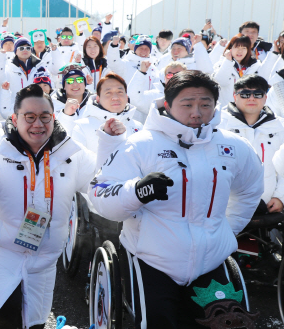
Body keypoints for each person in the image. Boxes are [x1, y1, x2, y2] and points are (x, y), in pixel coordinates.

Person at [90, 70, 263, 328]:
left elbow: (250, 189)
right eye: (187, 104)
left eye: (205, 104)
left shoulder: (233, 146)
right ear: (168, 105)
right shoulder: (140, 145)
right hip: (153, 260)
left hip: (212, 259)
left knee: (228, 324)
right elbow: (99, 194)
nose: (197, 112)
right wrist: (136, 191)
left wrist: (227, 228)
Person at [0, 84, 124, 329]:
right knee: (7, 313)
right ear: (15, 118)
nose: (38, 124)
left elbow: (99, 183)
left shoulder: (70, 153)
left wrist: (110, 142)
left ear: (54, 117)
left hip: (45, 256)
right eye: (29, 117)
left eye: (44, 117)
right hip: (3, 250)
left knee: (34, 323)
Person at [218, 75, 284, 213]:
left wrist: (280, 197)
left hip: (269, 206)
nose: (252, 98)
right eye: (245, 94)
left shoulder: (280, 126)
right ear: (235, 96)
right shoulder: (219, 125)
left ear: (266, 97)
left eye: (258, 94)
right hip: (226, 207)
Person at [72, 73, 142, 151]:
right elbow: (79, 161)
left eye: (120, 92)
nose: (115, 98)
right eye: (108, 93)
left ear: (126, 97)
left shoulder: (138, 127)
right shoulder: (82, 127)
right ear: (98, 98)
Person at [213, 35, 265, 108]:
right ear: (230, 48)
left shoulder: (255, 66)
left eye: (244, 48)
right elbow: (221, 82)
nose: (240, 51)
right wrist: (228, 61)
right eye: (237, 47)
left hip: (248, 110)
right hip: (225, 110)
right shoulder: (221, 64)